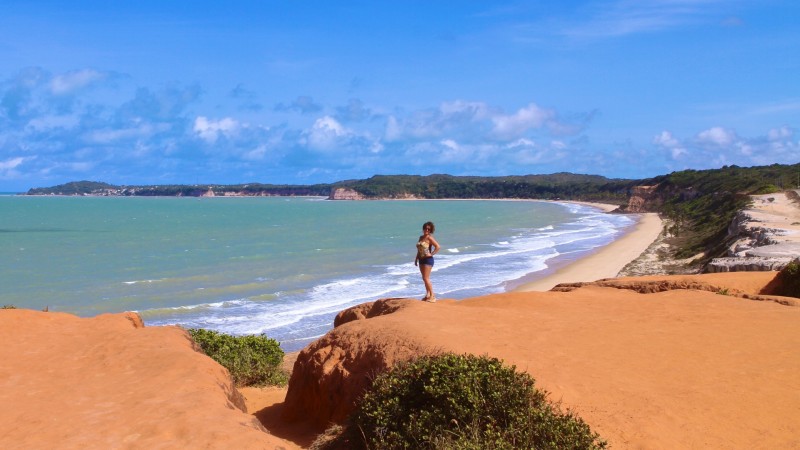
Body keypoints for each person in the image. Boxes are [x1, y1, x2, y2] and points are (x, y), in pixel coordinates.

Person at [414, 221, 441, 302]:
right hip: (421, 259)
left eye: (429, 229)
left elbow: (438, 247)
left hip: (428, 260)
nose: (427, 230)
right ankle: (428, 294)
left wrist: (431, 254)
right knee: (424, 278)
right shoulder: (421, 237)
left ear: (431, 230)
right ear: (423, 229)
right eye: (425, 228)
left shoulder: (430, 238)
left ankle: (433, 296)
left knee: (426, 278)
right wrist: (416, 258)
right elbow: (419, 249)